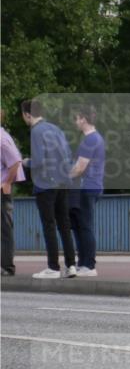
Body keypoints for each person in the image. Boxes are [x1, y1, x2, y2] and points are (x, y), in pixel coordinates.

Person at [20, 99, 76, 279]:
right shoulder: (56, 129)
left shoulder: (36, 131)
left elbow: (38, 161)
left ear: (27, 114)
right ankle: (71, 265)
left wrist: (25, 162)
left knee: (49, 226)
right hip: (63, 182)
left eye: (23, 116)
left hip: (45, 184)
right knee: (64, 225)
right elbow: (68, 155)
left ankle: (53, 267)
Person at [68, 105, 105, 277]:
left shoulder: (90, 140)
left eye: (77, 118)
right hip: (91, 186)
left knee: (85, 226)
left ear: (83, 119)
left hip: (87, 187)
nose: (75, 121)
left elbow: (79, 168)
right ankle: (83, 263)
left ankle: (89, 266)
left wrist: (63, 177)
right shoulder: (95, 138)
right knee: (80, 226)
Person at [1, 110, 26, 276]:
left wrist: (7, 182)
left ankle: (7, 267)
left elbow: (16, 161)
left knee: (5, 228)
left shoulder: (1, 139)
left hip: (2, 190)